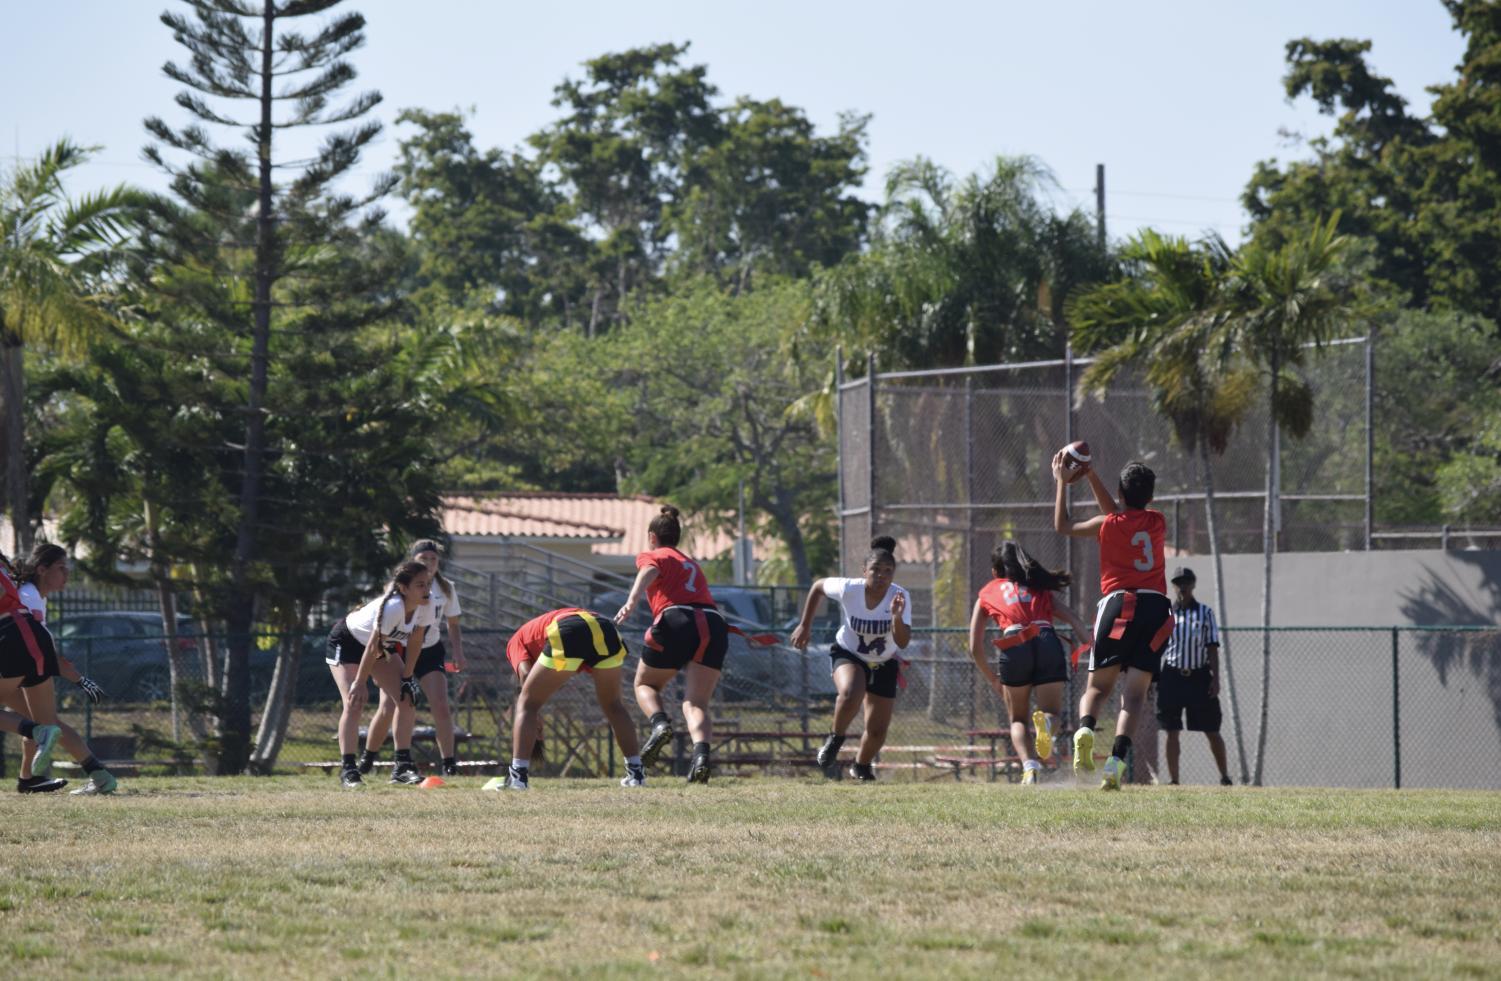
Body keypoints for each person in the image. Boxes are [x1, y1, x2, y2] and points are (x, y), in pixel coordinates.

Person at [1053, 452, 1173, 790]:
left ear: (1119, 493)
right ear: (1150, 497)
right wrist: (1093, 478)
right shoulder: (1158, 521)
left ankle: (1086, 729)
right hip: (1152, 609)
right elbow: (1122, 509)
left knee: (1097, 688)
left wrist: (1066, 480)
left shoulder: (1106, 524)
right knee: (1134, 697)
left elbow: (1062, 525)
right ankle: (1116, 764)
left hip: (1117, 606)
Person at [615, 505, 728, 784]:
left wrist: (632, 600)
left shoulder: (653, 554)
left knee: (645, 685)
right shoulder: (692, 563)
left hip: (677, 619)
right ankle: (701, 756)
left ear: (652, 536)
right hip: (714, 623)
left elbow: (649, 569)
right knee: (696, 701)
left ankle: (660, 724)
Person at [967, 541, 1093, 785]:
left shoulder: (988, 592)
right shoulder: (1039, 588)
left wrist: (993, 679)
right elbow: (1075, 620)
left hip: (1014, 643)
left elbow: (974, 647)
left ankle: (1030, 768)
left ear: (996, 572)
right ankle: (1046, 724)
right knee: (1053, 713)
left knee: (1018, 720)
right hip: (1046, 640)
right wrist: (1092, 647)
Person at [791, 536, 912, 782]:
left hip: (884, 661)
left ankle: (861, 766)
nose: (881, 575)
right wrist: (805, 625)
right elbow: (817, 587)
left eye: (887, 571)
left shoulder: (899, 596)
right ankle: (834, 740)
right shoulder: (849, 588)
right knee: (850, 693)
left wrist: (897, 618)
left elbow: (902, 642)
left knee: (877, 731)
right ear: (864, 570)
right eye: (875, 570)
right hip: (849, 652)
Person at [486, 607, 644, 791]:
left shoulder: (515, 642)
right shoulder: (541, 628)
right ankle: (636, 775)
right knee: (614, 705)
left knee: (526, 704)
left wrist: (534, 713)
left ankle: (517, 778)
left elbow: (526, 675)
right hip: (605, 627)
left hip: (570, 629)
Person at [0, 547, 109, 793]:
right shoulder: (28, 594)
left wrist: (79, 679)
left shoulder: (32, 595)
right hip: (23, 648)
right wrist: (80, 680)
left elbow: (35, 638)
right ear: (42, 569)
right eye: (61, 568)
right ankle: (32, 778)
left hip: (16, 646)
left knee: (43, 725)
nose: (67, 574)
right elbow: (39, 640)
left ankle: (32, 768)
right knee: (46, 723)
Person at [359, 540, 466, 777]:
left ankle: (449, 763)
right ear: (413, 562)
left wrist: (458, 651)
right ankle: (369, 757)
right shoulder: (401, 588)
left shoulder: (446, 587)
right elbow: (385, 623)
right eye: (423, 559)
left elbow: (453, 623)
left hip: (429, 650)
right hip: (400, 648)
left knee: (440, 704)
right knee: (389, 706)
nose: (429, 563)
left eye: (433, 559)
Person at [324, 560, 435, 789]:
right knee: (354, 702)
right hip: (347, 643)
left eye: (428, 584)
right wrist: (360, 682)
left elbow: (415, 641)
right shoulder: (394, 606)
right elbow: (372, 647)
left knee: (407, 698)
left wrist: (407, 676)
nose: (427, 590)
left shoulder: (427, 603)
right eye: (420, 585)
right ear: (404, 589)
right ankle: (349, 769)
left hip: (380, 648)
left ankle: (402, 767)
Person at [1159, 566, 1233, 786]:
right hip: (1172, 675)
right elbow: (1158, 646)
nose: (1183, 586)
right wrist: (1154, 677)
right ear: (1173, 586)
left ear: (1193, 584)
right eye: (1178, 582)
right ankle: (1174, 780)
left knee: (1211, 729)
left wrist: (1216, 678)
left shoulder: (1205, 613)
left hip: (1199, 675)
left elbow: (1212, 647)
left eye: (1187, 582)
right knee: (1171, 729)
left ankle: (1224, 776)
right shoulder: (1167, 614)